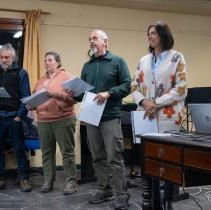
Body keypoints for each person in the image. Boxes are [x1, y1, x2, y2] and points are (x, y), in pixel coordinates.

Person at [131, 21, 187, 210]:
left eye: (153, 33)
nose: (150, 36)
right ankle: (150, 201)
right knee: (148, 161)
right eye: (148, 33)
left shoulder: (177, 58)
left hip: (168, 117)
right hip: (146, 117)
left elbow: (181, 89)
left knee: (168, 162)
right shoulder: (143, 60)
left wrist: (155, 103)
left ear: (163, 35)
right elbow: (134, 87)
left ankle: (168, 201)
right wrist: (144, 102)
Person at [74, 29, 131, 210]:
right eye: (89, 38)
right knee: (97, 157)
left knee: (114, 157)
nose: (91, 41)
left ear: (105, 41)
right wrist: (74, 93)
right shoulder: (87, 66)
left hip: (110, 117)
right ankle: (104, 189)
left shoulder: (117, 61)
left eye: (95, 38)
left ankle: (122, 194)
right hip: (91, 117)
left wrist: (109, 93)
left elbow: (127, 85)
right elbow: (83, 94)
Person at [0, 43, 32, 192]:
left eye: (7, 57)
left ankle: (24, 178)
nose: (4, 60)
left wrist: (19, 116)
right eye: (2, 57)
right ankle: (0, 179)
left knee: (19, 149)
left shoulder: (21, 73)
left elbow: (25, 96)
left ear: (13, 57)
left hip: (14, 117)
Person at [30, 52, 77, 195]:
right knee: (46, 153)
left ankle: (71, 182)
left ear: (58, 62)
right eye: (45, 60)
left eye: (50, 60)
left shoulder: (67, 77)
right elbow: (34, 97)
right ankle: (48, 181)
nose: (46, 63)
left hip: (63, 119)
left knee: (67, 152)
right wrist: (32, 105)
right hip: (43, 120)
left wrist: (59, 94)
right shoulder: (40, 80)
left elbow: (74, 99)